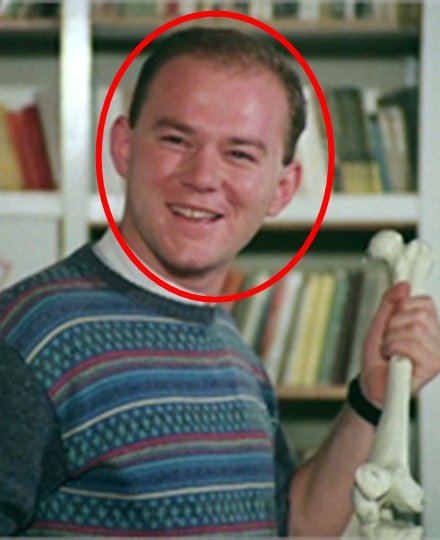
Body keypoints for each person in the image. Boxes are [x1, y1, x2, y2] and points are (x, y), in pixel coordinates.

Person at [0, 26, 439, 537]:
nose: (203, 177)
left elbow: (293, 526)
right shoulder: (28, 341)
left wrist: (372, 398)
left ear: (283, 188)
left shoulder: (231, 348)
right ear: (123, 147)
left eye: (240, 154)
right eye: (176, 140)